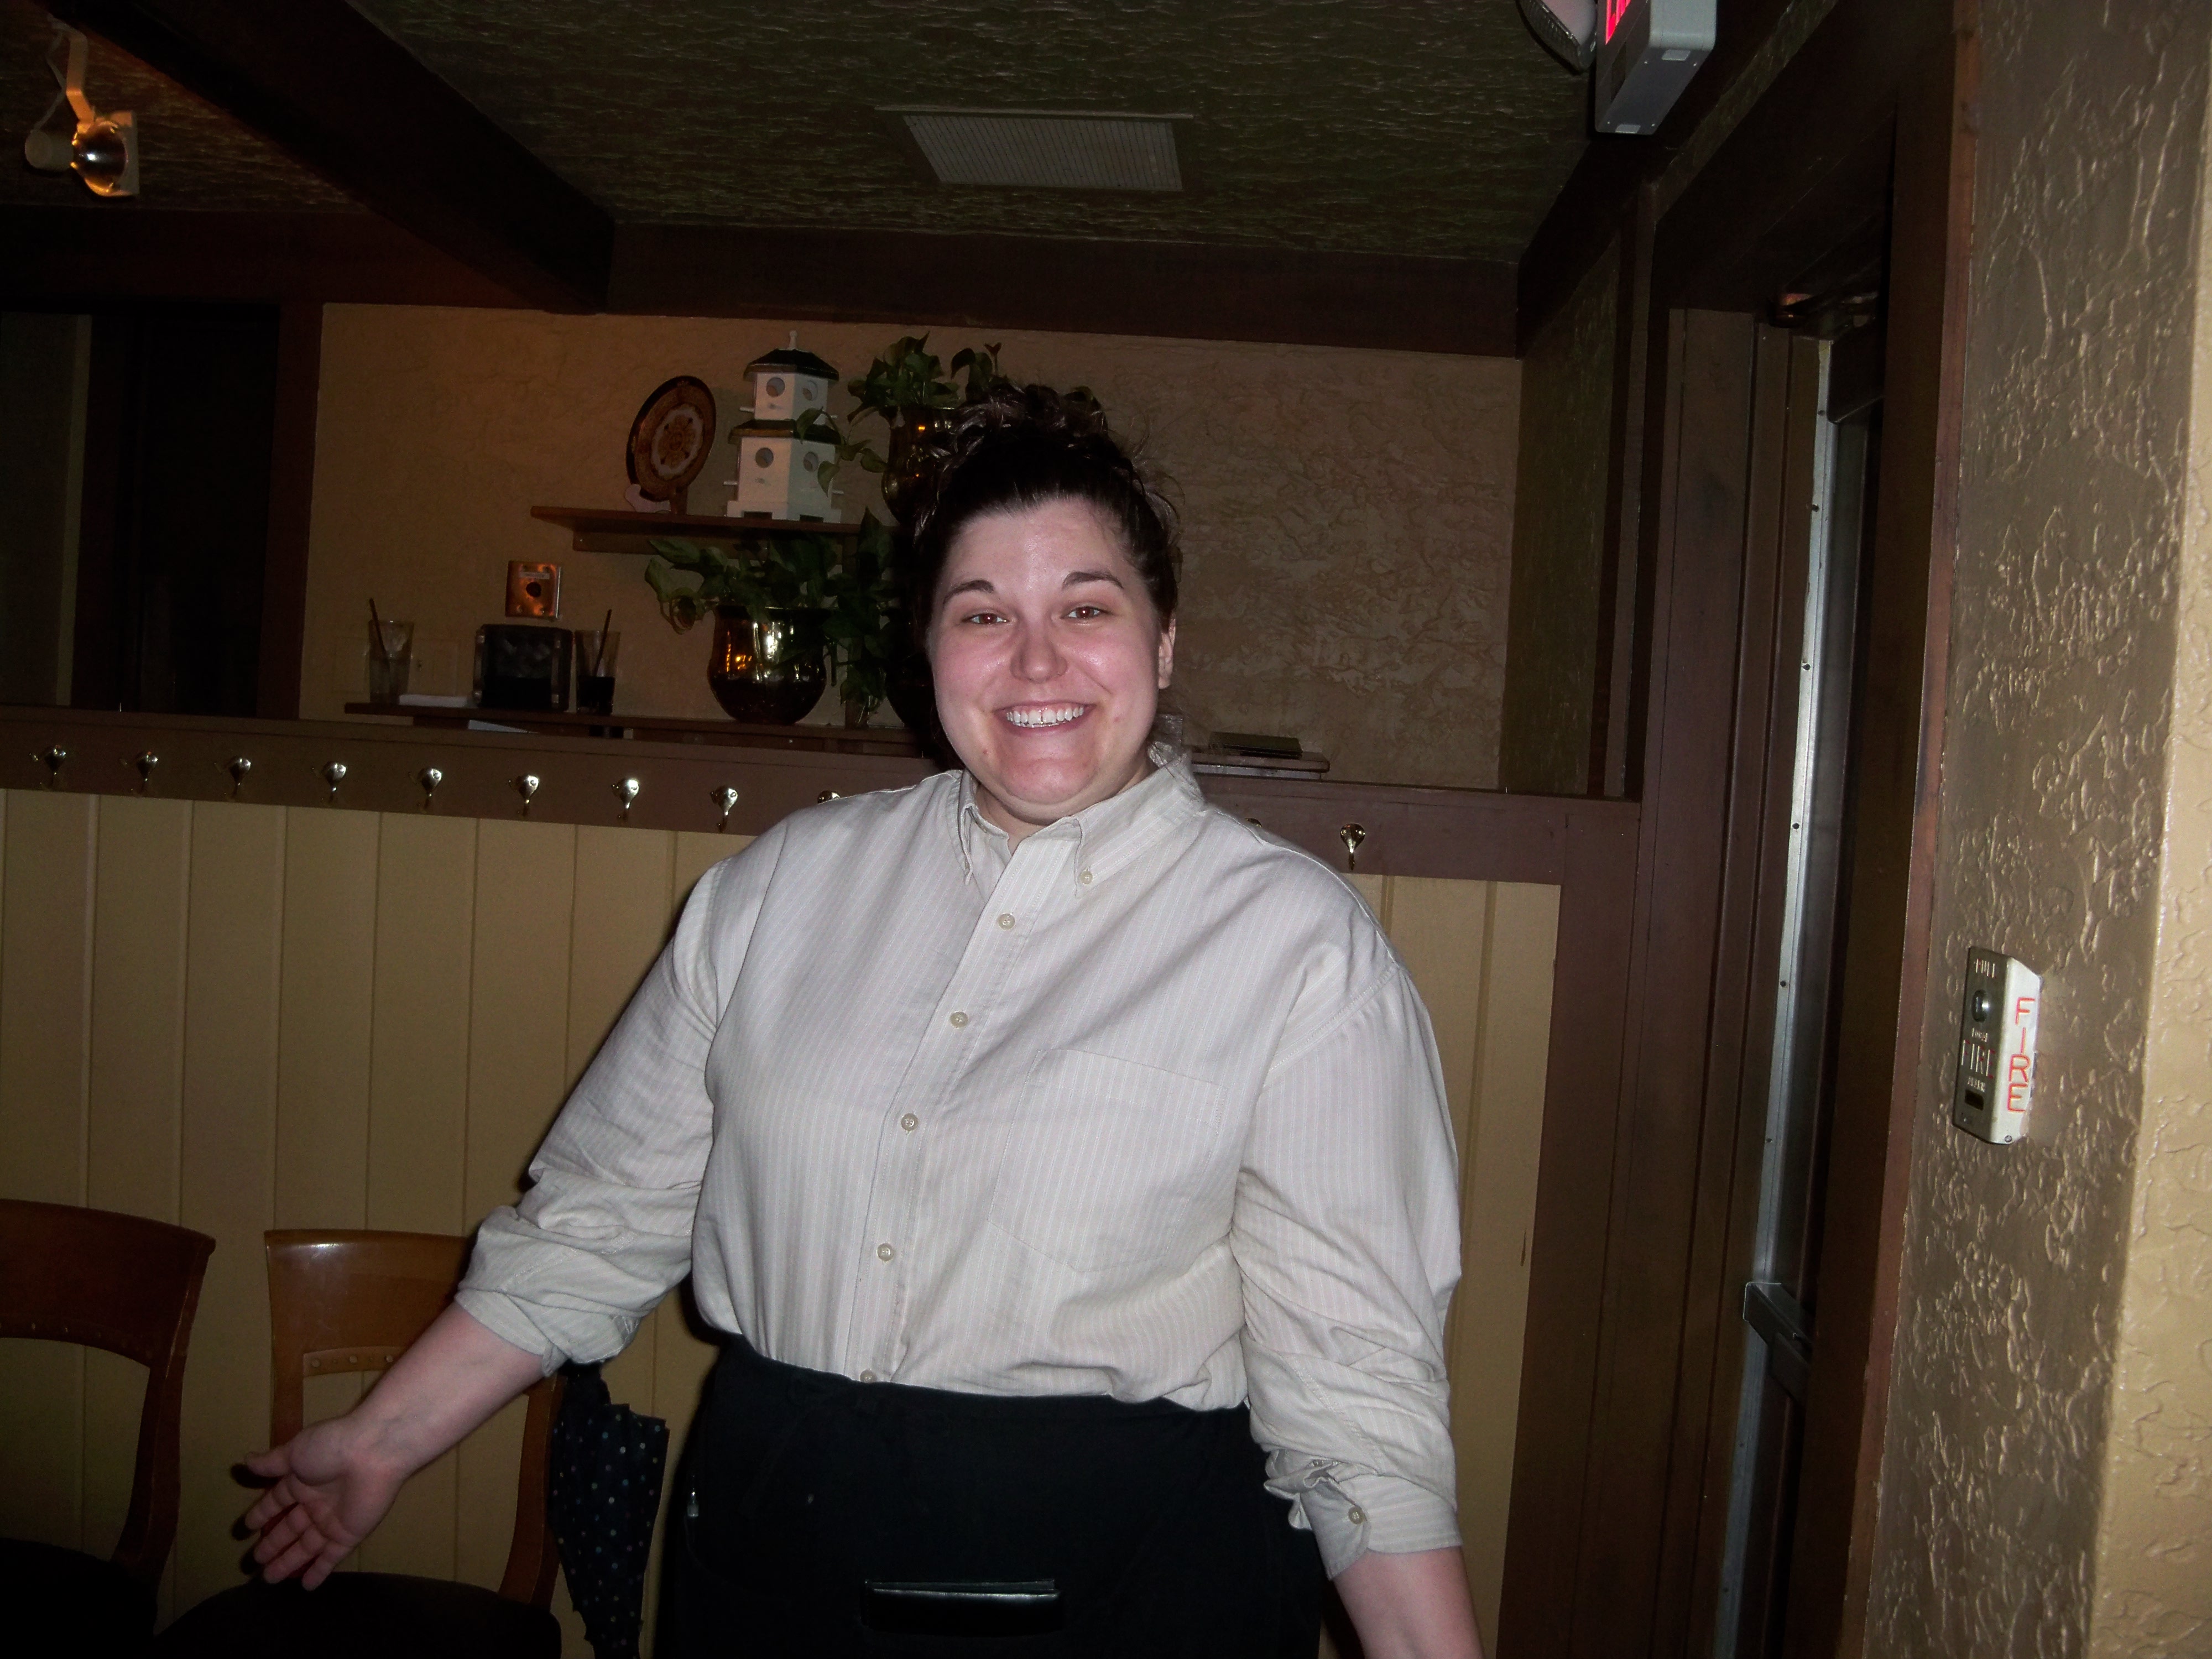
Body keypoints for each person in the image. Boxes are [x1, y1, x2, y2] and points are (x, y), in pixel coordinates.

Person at [243, 387, 1485, 1659]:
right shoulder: (779, 887)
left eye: (1085, 608)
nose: (1035, 661)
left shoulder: (1296, 948)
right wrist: (380, 1442)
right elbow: (595, 1223)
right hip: (771, 1563)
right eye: (982, 613)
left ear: (1162, 643)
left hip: (1135, 1589)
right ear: (928, 650)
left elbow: (1357, 1401)